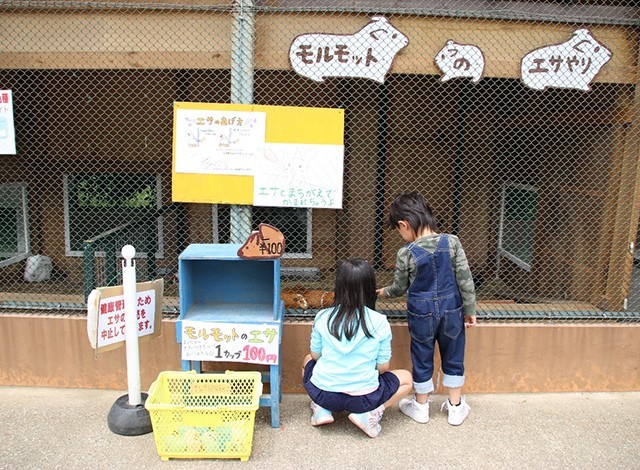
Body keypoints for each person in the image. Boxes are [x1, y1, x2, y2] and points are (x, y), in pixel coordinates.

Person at [376, 192, 477, 426]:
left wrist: (385, 292)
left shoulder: (406, 253)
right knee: (454, 354)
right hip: (453, 310)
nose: (401, 236)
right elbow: (465, 279)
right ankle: (455, 407)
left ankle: (421, 406)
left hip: (421, 314)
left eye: (399, 231)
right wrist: (470, 308)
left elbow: (400, 288)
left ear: (404, 224)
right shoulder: (452, 242)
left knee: (422, 356)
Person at [302, 258, 412, 438]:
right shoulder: (379, 322)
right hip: (364, 398)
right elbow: (383, 367)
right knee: (407, 378)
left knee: (307, 360)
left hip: (325, 393)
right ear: (370, 287)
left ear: (338, 285)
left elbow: (315, 355)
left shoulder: (322, 317)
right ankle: (370, 414)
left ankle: (321, 408)